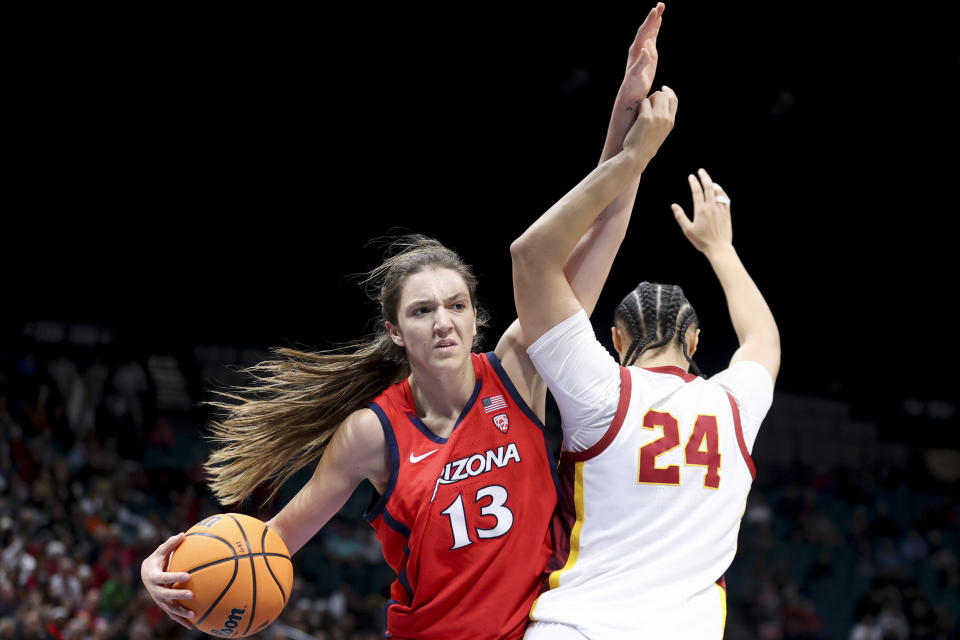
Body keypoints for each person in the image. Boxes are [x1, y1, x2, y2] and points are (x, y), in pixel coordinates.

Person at [140, 6, 670, 639]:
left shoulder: (522, 369)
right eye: (422, 311)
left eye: (456, 305)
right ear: (395, 331)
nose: (443, 322)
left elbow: (603, 224)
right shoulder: (372, 432)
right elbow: (270, 546)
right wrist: (168, 571)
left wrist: (626, 114)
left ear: (476, 317)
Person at [510, 122, 780, 638]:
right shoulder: (734, 407)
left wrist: (631, 160)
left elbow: (531, 256)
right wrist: (719, 249)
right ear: (696, 343)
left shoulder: (599, 391)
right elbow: (763, 340)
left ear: (614, 338)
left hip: (577, 627)